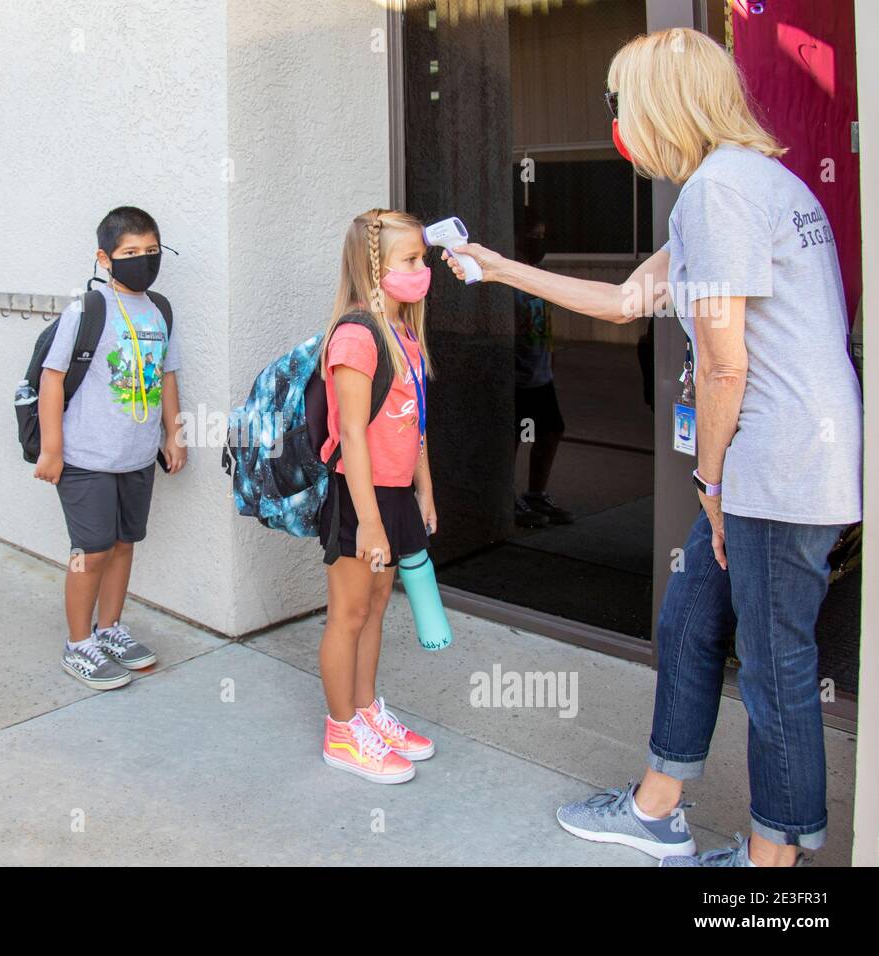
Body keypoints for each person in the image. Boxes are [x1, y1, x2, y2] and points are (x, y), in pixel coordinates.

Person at [444, 28, 861, 866]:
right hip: (767, 467)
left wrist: (707, 481)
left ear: (659, 104)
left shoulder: (720, 193)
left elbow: (725, 364)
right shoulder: (744, 182)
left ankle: (770, 867)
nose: (616, 118)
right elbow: (627, 300)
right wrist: (495, 268)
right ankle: (656, 806)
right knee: (688, 623)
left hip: (774, 474)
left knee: (779, 670)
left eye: (618, 99)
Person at [34, 206, 186, 691]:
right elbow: (52, 378)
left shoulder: (160, 309)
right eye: (130, 253)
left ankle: (110, 628)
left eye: (150, 251)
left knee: (123, 545)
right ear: (105, 258)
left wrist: (174, 433)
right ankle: (79, 642)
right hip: (85, 458)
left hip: (138, 456)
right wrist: (52, 449)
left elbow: (166, 374)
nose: (142, 260)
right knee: (90, 551)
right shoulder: (86, 309)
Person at [317, 209, 438, 784]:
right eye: (410, 260)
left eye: (422, 258)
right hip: (357, 497)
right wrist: (369, 522)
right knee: (350, 612)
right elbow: (355, 440)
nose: (422, 269)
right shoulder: (356, 336)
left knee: (378, 604)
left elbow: (413, 422)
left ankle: (366, 711)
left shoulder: (404, 333)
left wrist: (424, 493)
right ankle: (341, 732)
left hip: (394, 497)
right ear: (374, 270)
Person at [511, 214, 572, 528]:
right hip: (517, 376)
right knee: (512, 437)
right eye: (531, 235)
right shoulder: (508, 276)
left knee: (551, 430)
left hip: (540, 373)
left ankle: (536, 492)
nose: (538, 242)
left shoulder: (539, 275)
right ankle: (505, 499)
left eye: (542, 235)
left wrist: (551, 362)